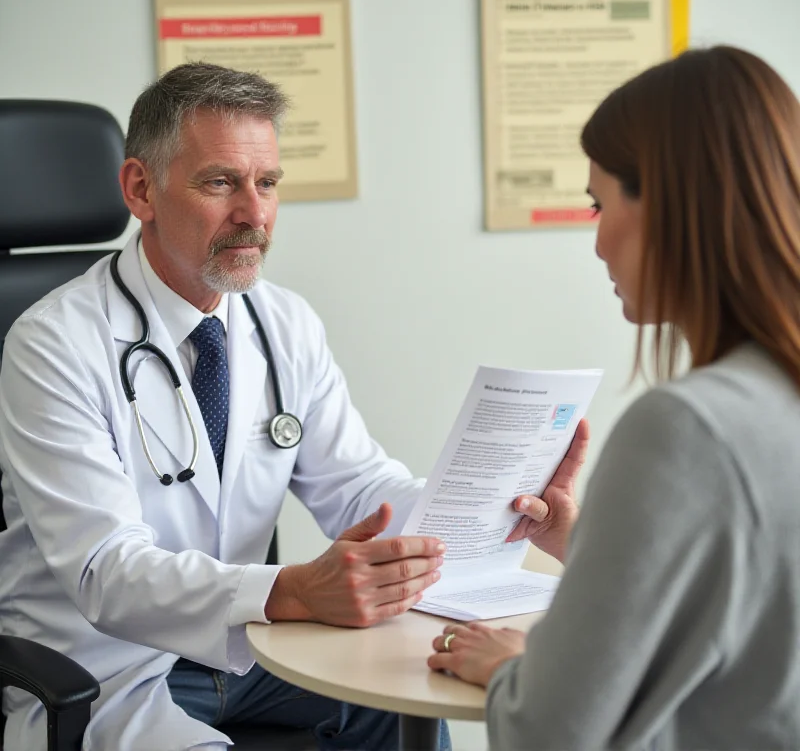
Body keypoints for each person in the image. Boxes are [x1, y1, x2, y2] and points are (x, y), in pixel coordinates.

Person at [0, 63, 585, 751]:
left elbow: (360, 487)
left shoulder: (285, 323)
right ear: (140, 189)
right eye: (220, 182)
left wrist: (497, 505)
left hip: (255, 652)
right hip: (111, 665)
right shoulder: (52, 343)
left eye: (268, 183)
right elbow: (108, 572)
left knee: (410, 719)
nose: (254, 213)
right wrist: (296, 590)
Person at [429, 45, 800, 749]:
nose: (597, 242)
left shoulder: (689, 427)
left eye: (601, 204)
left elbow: (554, 731)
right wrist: (592, 544)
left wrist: (516, 671)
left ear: (673, 201)